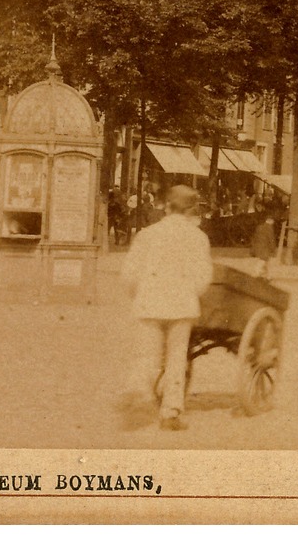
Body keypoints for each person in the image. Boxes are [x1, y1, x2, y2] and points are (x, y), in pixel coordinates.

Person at [120, 184, 213, 431]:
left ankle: (138, 393)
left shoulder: (147, 234)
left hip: (149, 303)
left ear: (167, 206)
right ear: (191, 210)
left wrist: (139, 294)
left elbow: (129, 274)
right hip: (182, 305)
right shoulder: (198, 238)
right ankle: (170, 412)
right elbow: (203, 277)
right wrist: (189, 293)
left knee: (147, 355)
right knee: (176, 358)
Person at [249, 212, 277, 278]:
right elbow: (271, 239)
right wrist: (273, 249)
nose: (273, 222)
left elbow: (254, 237)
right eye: (273, 221)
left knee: (266, 261)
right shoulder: (269, 228)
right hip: (265, 248)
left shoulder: (259, 227)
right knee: (263, 260)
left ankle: (267, 275)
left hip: (258, 246)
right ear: (270, 220)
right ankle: (256, 273)